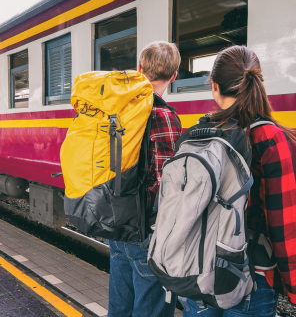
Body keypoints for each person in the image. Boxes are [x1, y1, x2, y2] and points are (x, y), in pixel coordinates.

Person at [183, 45, 296, 316]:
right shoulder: (269, 138)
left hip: (196, 267)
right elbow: (282, 224)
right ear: (257, 83)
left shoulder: (196, 133)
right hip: (249, 275)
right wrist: (292, 287)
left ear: (214, 86)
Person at [107, 41, 182, 317]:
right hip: (147, 230)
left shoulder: (119, 110)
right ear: (174, 76)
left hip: (118, 222)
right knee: (150, 309)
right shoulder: (164, 116)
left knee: (120, 307)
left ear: (139, 69)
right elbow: (166, 182)